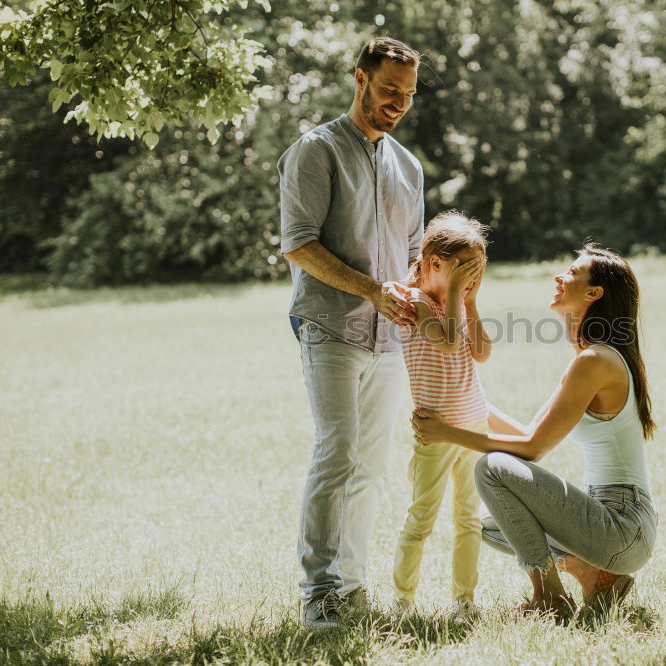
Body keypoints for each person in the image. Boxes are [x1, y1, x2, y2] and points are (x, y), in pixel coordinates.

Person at [412, 245, 658, 621]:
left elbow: (531, 448)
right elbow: (529, 433)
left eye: (572, 274)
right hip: (617, 528)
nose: (559, 277)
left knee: (491, 469)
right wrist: (459, 404)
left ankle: (549, 599)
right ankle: (595, 574)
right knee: (490, 525)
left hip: (622, 525)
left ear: (594, 294)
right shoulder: (591, 357)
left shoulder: (595, 362)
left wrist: (448, 433)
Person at [277, 37, 423, 631]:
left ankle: (353, 585)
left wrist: (414, 292)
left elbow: (414, 252)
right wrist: (374, 291)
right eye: (388, 89)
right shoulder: (315, 152)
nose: (398, 102)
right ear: (359, 78)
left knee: (373, 465)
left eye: (408, 94)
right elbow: (299, 243)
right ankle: (318, 591)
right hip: (330, 327)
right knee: (336, 453)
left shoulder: (408, 166)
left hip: (389, 337)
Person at [391, 212, 491, 619]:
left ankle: (464, 600)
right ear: (434, 261)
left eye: (476, 270)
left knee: (469, 519)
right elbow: (448, 343)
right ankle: (402, 600)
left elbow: (480, 353)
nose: (469, 277)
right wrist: (453, 296)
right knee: (421, 519)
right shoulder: (413, 302)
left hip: (472, 424)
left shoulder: (459, 303)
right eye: (463, 268)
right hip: (435, 433)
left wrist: (470, 300)